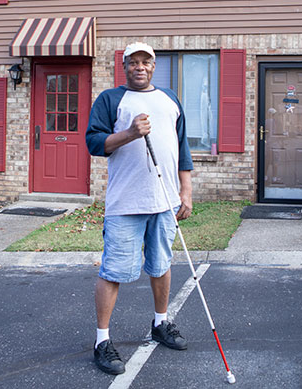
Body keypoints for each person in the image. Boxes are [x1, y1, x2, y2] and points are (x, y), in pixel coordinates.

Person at [84, 42, 194, 376]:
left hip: (164, 202)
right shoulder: (110, 100)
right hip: (125, 204)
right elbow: (93, 143)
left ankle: (161, 323)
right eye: (133, 62)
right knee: (114, 271)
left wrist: (185, 191)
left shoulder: (170, 99)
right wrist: (130, 133)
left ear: (154, 66)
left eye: (146, 62)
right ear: (125, 66)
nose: (140, 67)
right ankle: (102, 341)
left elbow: (182, 146)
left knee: (161, 264)